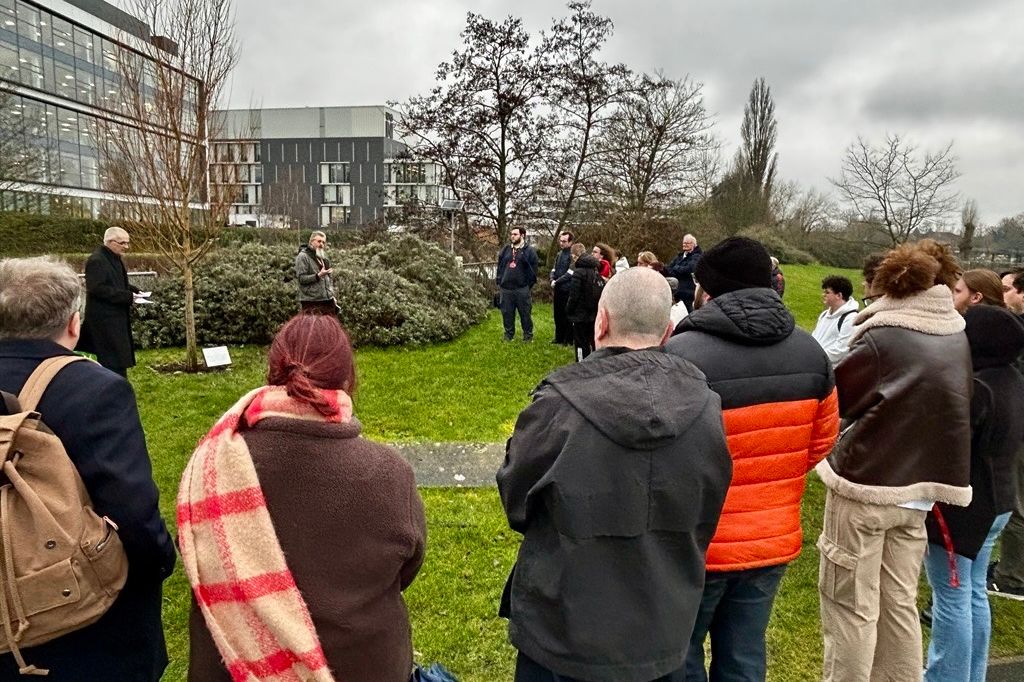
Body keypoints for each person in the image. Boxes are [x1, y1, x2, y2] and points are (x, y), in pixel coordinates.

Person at [497, 267, 732, 682]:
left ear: (600, 321)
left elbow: (517, 500)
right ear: (666, 334)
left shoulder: (556, 406)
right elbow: (708, 503)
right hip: (663, 623)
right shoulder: (707, 407)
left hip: (566, 628)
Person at [181, 314, 426, 682]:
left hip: (234, 667)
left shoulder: (211, 466)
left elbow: (195, 558)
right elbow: (407, 567)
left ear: (273, 370)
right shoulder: (389, 473)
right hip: (362, 666)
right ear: (346, 379)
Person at [664, 236, 839, 682]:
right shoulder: (811, 354)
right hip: (770, 536)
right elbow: (821, 442)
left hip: (698, 540)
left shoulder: (680, 357)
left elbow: (663, 451)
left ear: (706, 291)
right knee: (744, 655)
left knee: (678, 654)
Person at [0, 256, 176, 680]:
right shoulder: (94, 391)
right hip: (80, 627)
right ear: (74, 324)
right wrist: (160, 563)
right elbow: (131, 512)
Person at [815, 241, 972, 682]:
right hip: (918, 494)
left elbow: (839, 398)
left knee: (850, 606)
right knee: (898, 603)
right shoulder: (955, 335)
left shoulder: (884, 335)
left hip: (868, 485)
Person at [923, 304, 1024, 681]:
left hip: (963, 511)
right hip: (998, 501)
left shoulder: (978, 389)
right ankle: (971, 673)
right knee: (974, 591)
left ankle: (945, 676)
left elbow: (942, 443)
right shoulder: (1012, 379)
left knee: (951, 597)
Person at [79, 226, 140, 376]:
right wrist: (127, 297)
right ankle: (113, 387)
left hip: (115, 317)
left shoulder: (114, 258)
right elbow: (97, 288)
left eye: (127, 243)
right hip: (104, 320)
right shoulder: (97, 260)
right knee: (111, 360)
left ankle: (119, 384)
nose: (126, 247)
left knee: (119, 358)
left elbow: (115, 282)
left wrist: (134, 290)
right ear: (110, 241)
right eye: (122, 243)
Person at [496, 227, 539, 341]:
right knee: (507, 314)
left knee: (525, 314)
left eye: (515, 234)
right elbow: (500, 266)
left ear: (522, 235)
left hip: (522, 288)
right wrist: (500, 280)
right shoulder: (506, 249)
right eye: (511, 234)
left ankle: (528, 336)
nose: (512, 236)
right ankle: (509, 335)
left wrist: (527, 285)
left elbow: (533, 270)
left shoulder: (529, 251)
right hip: (506, 288)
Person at [811, 275, 859, 366]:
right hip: (816, 366)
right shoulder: (824, 314)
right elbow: (814, 337)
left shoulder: (851, 318)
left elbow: (841, 350)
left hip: (832, 371)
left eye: (827, 292)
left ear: (839, 295)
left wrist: (816, 357)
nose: (823, 295)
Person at [565, 251, 602, 362]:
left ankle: (581, 364)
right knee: (593, 340)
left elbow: (574, 295)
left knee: (580, 343)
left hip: (580, 314)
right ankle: (595, 362)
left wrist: (568, 310)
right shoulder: (596, 273)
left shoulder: (578, 273)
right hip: (594, 313)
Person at [295, 231, 338, 315]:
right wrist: (318, 276)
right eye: (319, 241)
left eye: (323, 242)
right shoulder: (303, 257)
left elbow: (329, 279)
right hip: (311, 301)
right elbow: (301, 279)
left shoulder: (323, 257)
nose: (321, 244)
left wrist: (331, 295)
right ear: (311, 242)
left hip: (327, 300)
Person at [665, 234, 702, 312]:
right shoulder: (680, 256)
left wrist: (676, 268)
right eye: (684, 243)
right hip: (677, 292)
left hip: (689, 292)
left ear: (694, 244)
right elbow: (668, 269)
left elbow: (689, 269)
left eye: (687, 243)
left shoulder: (697, 257)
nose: (685, 245)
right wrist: (677, 270)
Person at [549, 231, 574, 345]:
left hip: (567, 289)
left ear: (570, 242)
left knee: (566, 315)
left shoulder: (572, 255)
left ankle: (567, 339)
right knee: (557, 314)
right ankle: (558, 337)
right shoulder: (559, 254)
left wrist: (557, 281)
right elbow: (554, 269)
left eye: (564, 241)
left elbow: (569, 273)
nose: (561, 243)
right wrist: (552, 279)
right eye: (561, 241)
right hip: (558, 289)